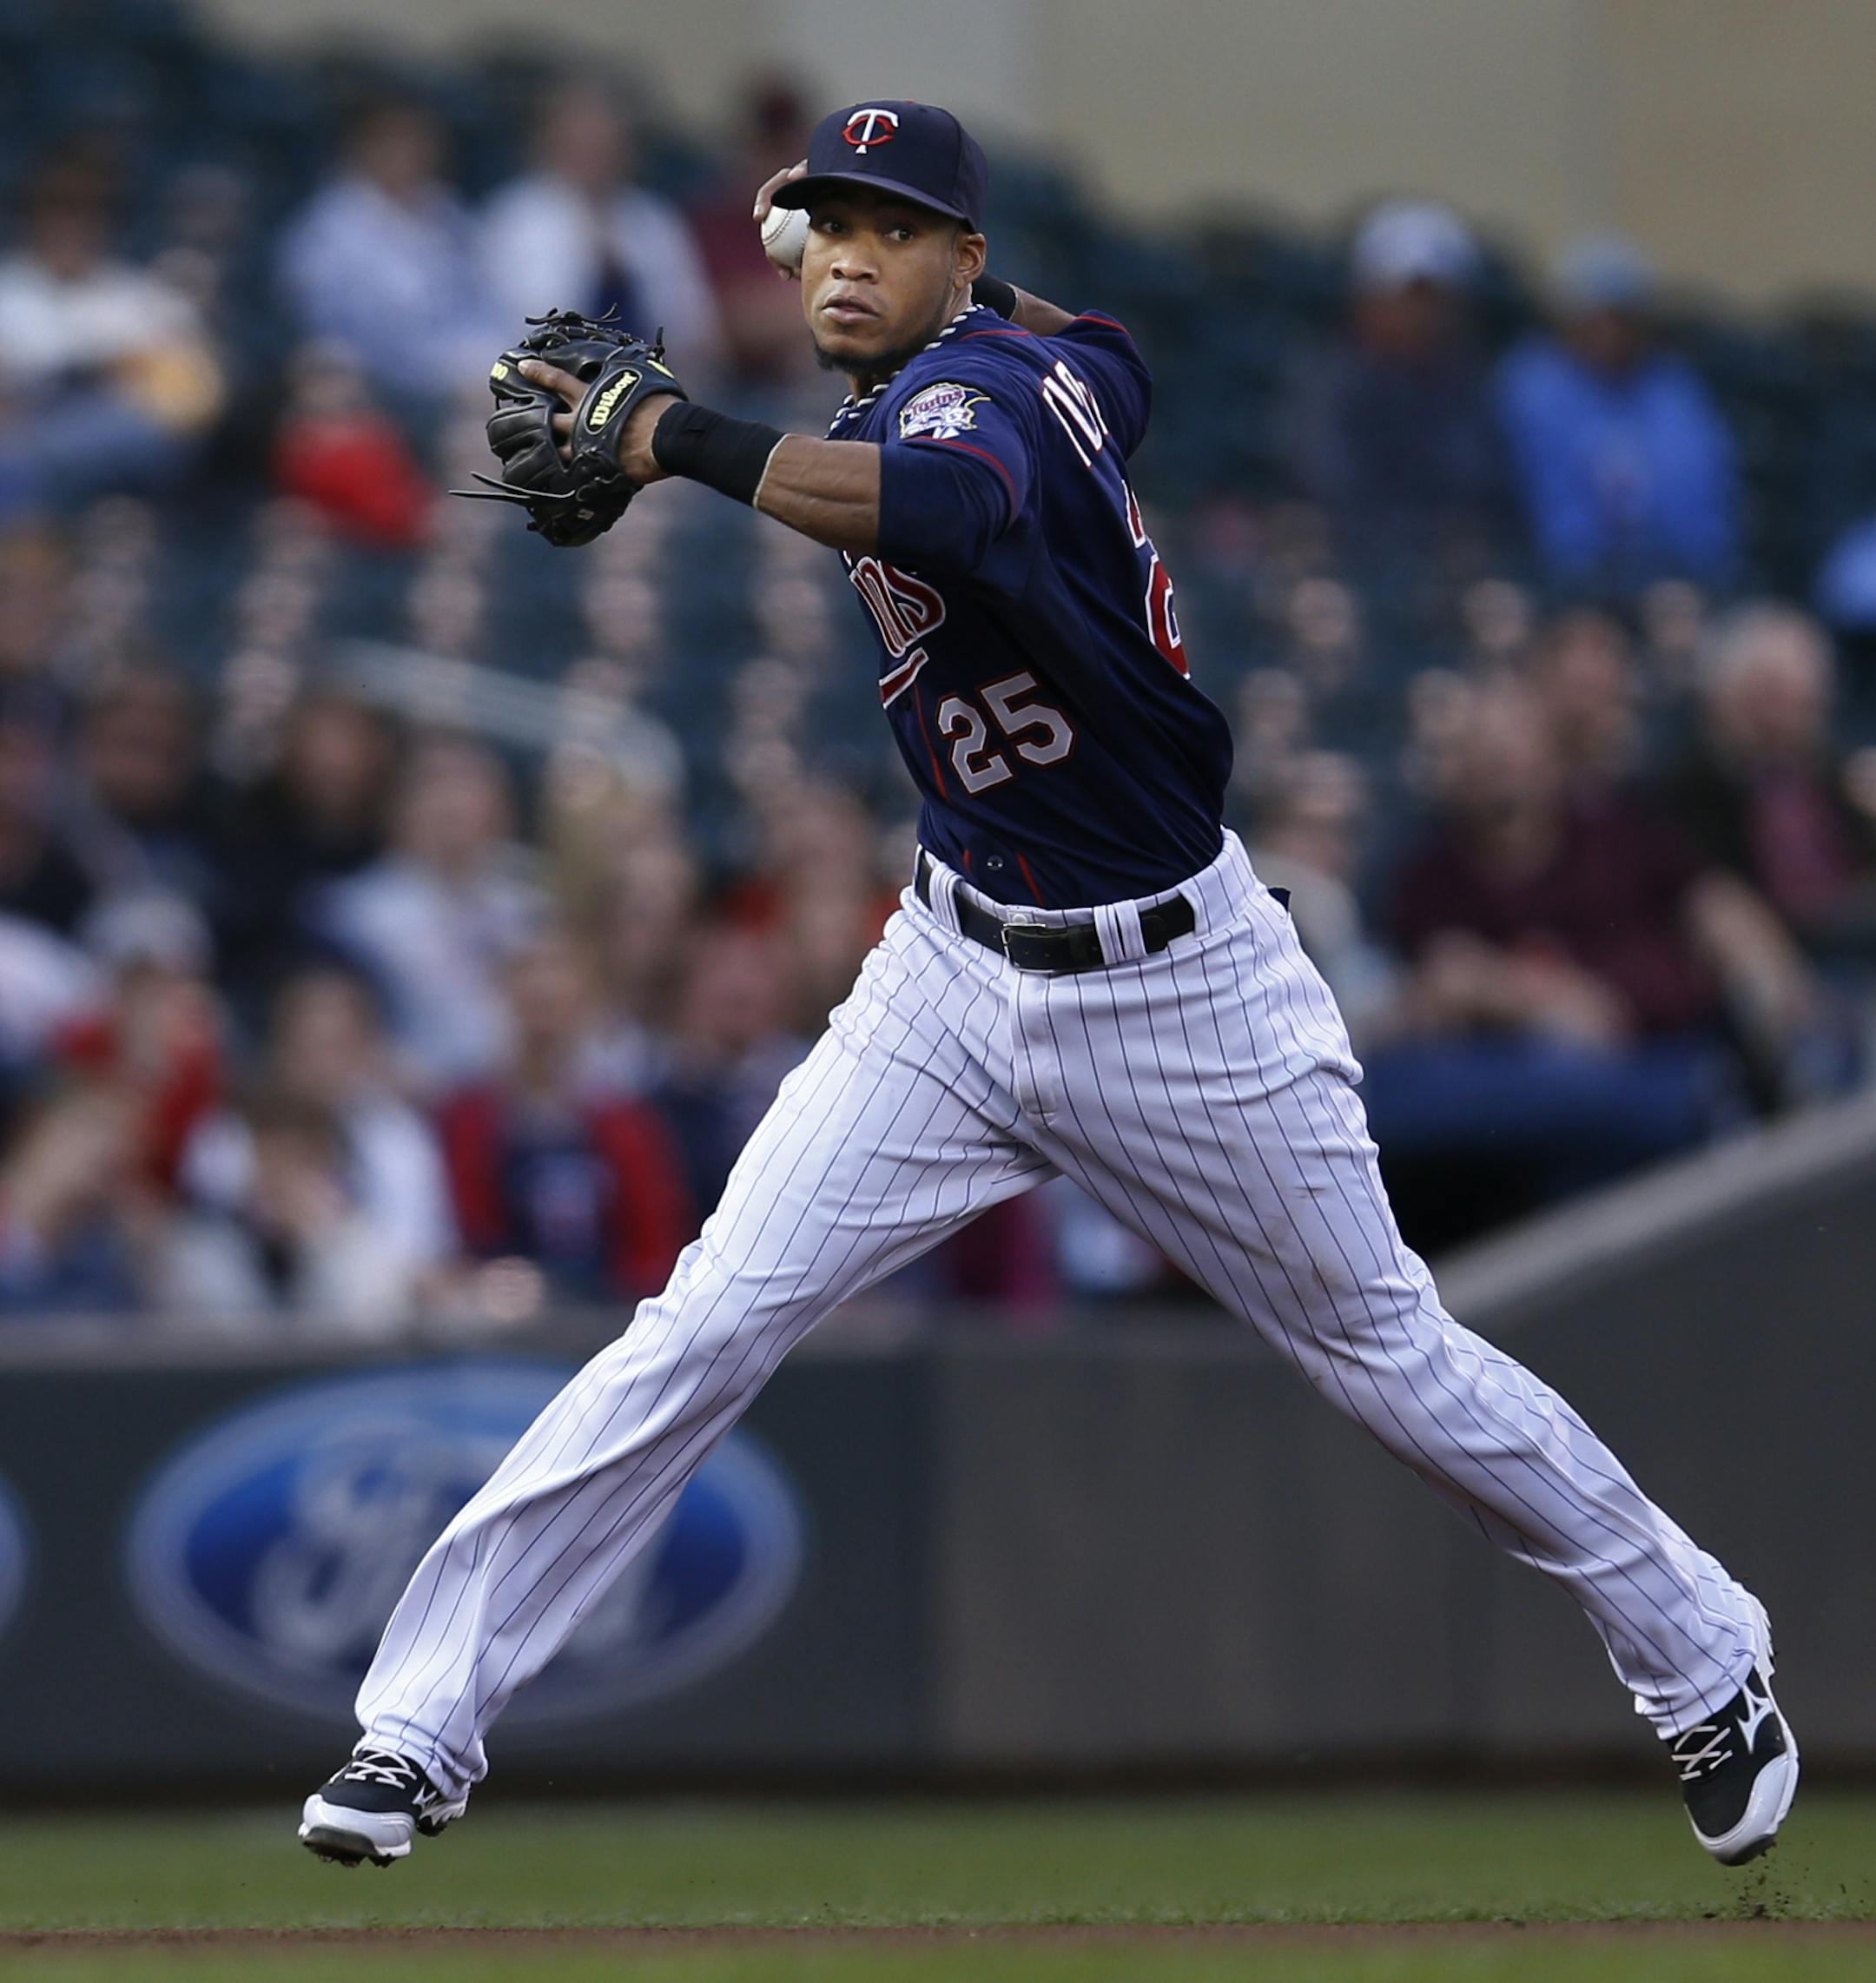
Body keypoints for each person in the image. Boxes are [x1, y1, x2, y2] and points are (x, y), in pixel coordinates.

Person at [300, 102, 1794, 1873]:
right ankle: (417, 1726)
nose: (847, 254)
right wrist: (872, 273)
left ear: (967, 261)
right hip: (948, 967)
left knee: (1393, 1360)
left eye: (892, 229)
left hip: (1185, 992)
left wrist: (673, 431)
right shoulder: (1063, 351)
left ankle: (1706, 1650)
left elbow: (938, 496)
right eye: (827, 227)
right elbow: (1104, 346)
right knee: (701, 1325)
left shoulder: (984, 406)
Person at [1497, 235, 1739, 599]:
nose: (1609, 332)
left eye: (1621, 317)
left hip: (1670, 575)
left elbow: (1701, 502)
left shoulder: (1674, 390)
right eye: (1594, 317)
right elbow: (1538, 502)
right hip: (1562, 579)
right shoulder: (1531, 388)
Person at [1287, 199, 1514, 569]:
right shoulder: (1328, 382)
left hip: (1449, 564)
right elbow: (1329, 480)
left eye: (1439, 301)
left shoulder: (1472, 384)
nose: (1425, 317)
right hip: (1353, 562)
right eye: (1410, 298)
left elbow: (1478, 482)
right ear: (1367, 301)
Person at [0, 161, 224, 519]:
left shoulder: (145, 298)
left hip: (118, 451)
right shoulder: (8, 290)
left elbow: (194, 403)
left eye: (87, 213)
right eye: (59, 209)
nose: (70, 226)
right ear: (31, 218)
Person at [479, 80, 722, 373]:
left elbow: (696, 329)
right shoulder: (516, 219)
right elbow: (527, 332)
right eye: (579, 140)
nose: (595, 151)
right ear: (548, 142)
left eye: (606, 139)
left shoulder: (654, 219)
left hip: (658, 381)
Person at [278, 98, 499, 403]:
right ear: (360, 147)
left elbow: (484, 305)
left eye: (418, 141)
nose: (407, 153)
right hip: (377, 384)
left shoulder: (450, 214)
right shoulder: (328, 227)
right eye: (391, 141)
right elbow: (334, 329)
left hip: (459, 372)